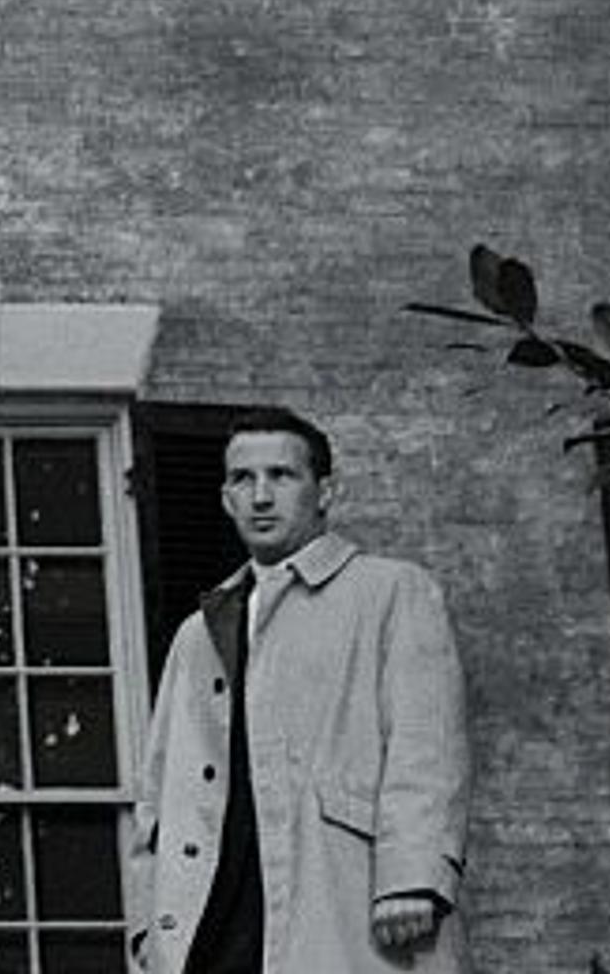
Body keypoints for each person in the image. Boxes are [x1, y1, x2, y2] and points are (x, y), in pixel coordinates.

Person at [132, 406, 471, 974]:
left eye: (282, 475)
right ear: (226, 499)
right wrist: (148, 926)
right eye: (243, 479)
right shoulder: (199, 631)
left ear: (325, 492)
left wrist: (413, 876)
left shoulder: (391, 591)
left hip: (339, 899)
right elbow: (158, 792)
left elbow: (428, 743)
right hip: (212, 924)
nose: (261, 496)